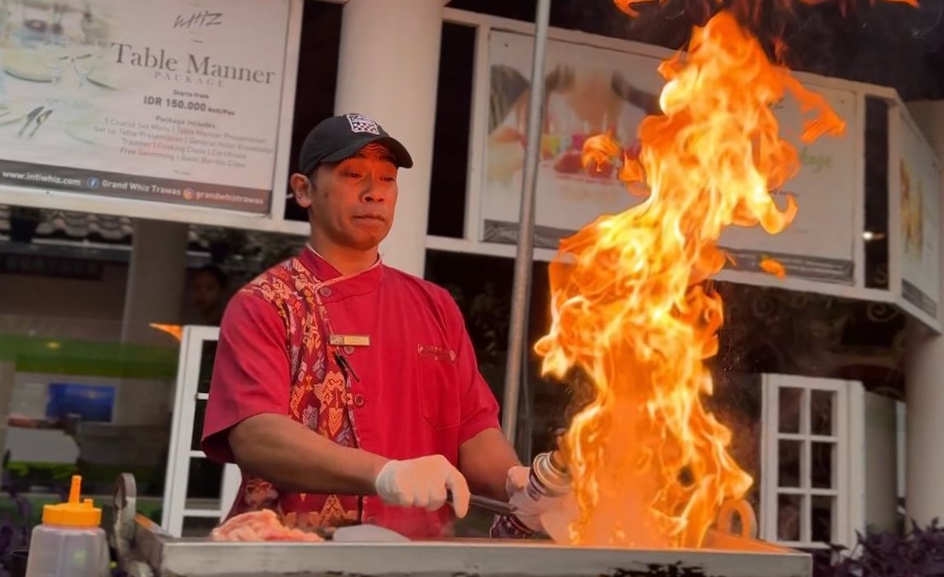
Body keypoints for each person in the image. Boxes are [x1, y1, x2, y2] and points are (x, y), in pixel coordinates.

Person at [201, 113, 563, 539]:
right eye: (353, 174)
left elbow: (474, 429)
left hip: (416, 557)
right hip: (292, 554)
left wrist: (517, 484)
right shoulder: (267, 303)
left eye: (387, 179)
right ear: (303, 190)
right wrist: (386, 474)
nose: (374, 193)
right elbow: (256, 434)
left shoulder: (434, 306)